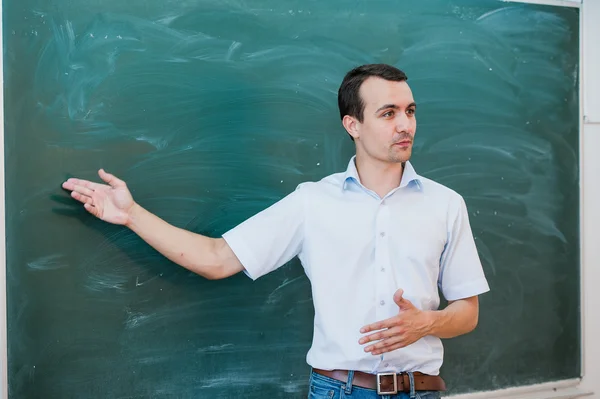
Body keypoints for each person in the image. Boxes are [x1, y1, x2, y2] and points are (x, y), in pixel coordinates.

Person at [62, 64, 490, 398]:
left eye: (410, 111)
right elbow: (216, 259)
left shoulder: (445, 204)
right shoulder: (312, 202)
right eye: (388, 113)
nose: (405, 124)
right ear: (352, 125)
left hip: (421, 391)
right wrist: (132, 213)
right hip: (338, 391)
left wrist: (426, 323)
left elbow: (466, 313)